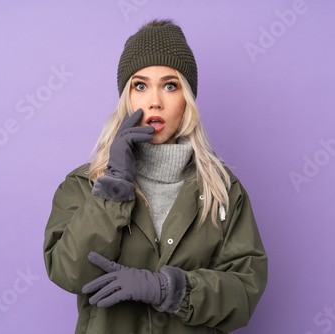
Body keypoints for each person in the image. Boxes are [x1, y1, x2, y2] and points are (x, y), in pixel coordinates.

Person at [43, 19, 268, 334]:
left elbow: (246, 291)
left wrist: (170, 288)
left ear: (187, 98)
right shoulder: (85, 185)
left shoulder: (223, 190)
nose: (154, 101)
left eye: (170, 85)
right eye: (140, 85)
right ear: (127, 97)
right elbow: (70, 272)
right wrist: (115, 186)